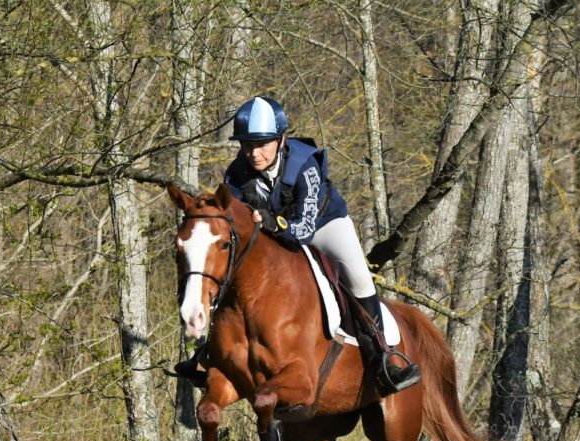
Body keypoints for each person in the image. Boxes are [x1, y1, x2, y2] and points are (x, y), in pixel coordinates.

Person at [175, 95, 420, 395]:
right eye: (247, 145)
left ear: (281, 139)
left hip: (323, 226)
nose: (253, 153)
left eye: (261, 144)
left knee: (359, 278)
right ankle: (207, 353)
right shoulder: (235, 175)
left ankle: (384, 358)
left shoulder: (305, 166)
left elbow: (303, 228)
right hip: (270, 231)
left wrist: (271, 222)